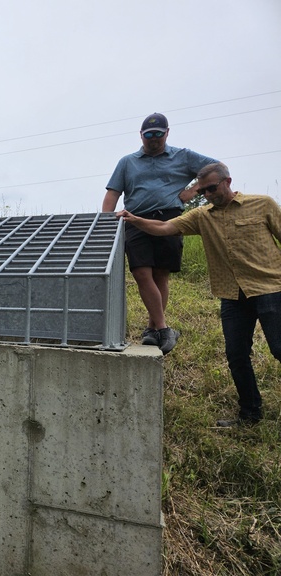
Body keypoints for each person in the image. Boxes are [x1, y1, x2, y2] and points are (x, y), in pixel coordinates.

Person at [117, 162, 281, 427]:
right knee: (237, 356)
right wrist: (134, 219)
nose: (208, 195)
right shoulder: (202, 216)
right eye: (202, 190)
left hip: (270, 288)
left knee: (279, 348)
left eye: (212, 188)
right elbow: (164, 228)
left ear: (228, 182)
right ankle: (250, 414)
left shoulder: (263, 204)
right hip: (231, 295)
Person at [103, 113, 218, 354]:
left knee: (160, 275)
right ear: (141, 135)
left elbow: (215, 169)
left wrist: (192, 191)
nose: (153, 139)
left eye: (158, 134)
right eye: (148, 135)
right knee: (141, 272)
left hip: (170, 218)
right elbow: (113, 193)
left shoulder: (182, 156)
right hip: (135, 220)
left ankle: (152, 328)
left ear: (167, 133)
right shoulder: (128, 162)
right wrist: (105, 221)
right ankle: (164, 329)